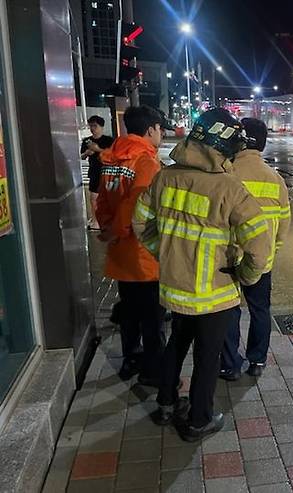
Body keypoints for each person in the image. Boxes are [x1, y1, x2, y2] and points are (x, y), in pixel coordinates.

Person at [133, 108, 272, 441]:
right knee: (207, 357)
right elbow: (260, 247)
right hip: (214, 294)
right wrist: (247, 276)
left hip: (174, 288)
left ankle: (166, 405)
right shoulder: (229, 189)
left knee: (176, 345)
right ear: (219, 145)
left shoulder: (164, 177)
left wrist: (163, 254)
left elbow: (140, 223)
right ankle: (199, 421)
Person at [96, 105, 168, 385]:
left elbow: (103, 200)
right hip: (144, 256)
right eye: (160, 129)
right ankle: (153, 372)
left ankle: (131, 361)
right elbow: (136, 207)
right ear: (150, 130)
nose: (161, 134)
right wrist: (117, 231)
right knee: (152, 320)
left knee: (129, 314)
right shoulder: (146, 162)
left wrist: (107, 229)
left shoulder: (112, 159)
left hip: (121, 256)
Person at [219, 118, 290, 380]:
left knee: (229, 310)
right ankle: (257, 360)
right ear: (262, 143)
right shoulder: (276, 180)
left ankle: (229, 365)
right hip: (262, 261)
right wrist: (271, 251)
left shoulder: (226, 174)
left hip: (227, 257)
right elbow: (284, 225)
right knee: (260, 310)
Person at [81, 115, 114, 230]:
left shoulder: (109, 140)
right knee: (93, 197)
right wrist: (86, 153)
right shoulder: (86, 141)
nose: (93, 128)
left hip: (108, 172)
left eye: (95, 126)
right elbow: (81, 156)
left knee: (108, 198)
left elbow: (113, 155)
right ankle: (96, 221)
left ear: (101, 126)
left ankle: (108, 220)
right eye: (91, 126)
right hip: (94, 172)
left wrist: (97, 149)